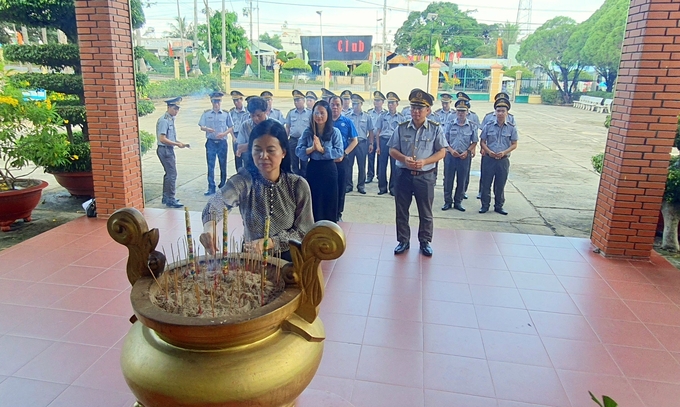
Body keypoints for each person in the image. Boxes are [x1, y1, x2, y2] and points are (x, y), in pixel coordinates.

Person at [199, 120, 314, 262]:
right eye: (257, 149)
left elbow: (304, 231)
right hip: (252, 259)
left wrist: (270, 242)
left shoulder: (297, 185)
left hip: (289, 261)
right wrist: (210, 227)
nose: (263, 156)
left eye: (270, 150)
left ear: (283, 152)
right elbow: (217, 203)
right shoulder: (244, 181)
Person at [389, 89, 447, 257]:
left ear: (428, 111)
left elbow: (442, 151)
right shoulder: (401, 128)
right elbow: (392, 149)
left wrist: (425, 162)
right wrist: (404, 158)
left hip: (425, 176)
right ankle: (403, 241)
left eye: (420, 108)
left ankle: (425, 241)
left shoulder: (435, 129)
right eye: (413, 107)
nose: (415, 111)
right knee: (401, 210)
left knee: (425, 212)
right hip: (404, 175)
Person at [295, 100, 344, 222]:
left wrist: (322, 150)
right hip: (313, 168)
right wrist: (312, 149)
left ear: (328, 114)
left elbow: (339, 152)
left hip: (329, 169)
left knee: (329, 199)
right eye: (316, 113)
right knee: (314, 199)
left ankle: (329, 227)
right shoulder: (308, 132)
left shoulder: (334, 132)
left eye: (322, 113)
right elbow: (299, 151)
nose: (319, 116)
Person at [479, 97, 518, 215]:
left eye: (503, 111)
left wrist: (504, 152)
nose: (500, 113)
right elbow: (482, 141)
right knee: (486, 183)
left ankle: (499, 206)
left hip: (503, 160)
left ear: (507, 113)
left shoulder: (511, 128)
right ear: (495, 112)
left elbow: (514, 144)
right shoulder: (488, 125)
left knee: (500, 184)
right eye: (498, 111)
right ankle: (484, 205)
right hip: (489, 159)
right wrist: (489, 151)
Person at [442, 99, 478, 212]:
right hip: (450, 156)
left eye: (463, 111)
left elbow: (475, 141)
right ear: (456, 111)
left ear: (467, 112)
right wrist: (451, 150)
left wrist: (467, 152)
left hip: (464, 156)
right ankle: (447, 202)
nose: (461, 113)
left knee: (462, 180)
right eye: (458, 111)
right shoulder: (450, 124)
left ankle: (458, 202)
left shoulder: (471, 125)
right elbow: (444, 140)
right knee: (448, 180)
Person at [156, 97, 189, 208]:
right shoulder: (164, 120)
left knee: (168, 174)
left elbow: (171, 138)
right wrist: (176, 144)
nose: (176, 111)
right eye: (175, 108)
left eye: (178, 109)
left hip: (167, 149)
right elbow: (162, 139)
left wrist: (181, 143)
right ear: (169, 107)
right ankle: (171, 198)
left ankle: (166, 197)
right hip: (165, 150)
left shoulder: (170, 119)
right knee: (172, 174)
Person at [199, 91, 234, 196]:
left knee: (223, 165)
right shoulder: (206, 114)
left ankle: (223, 185)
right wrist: (206, 129)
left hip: (222, 142)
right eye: (214, 102)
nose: (216, 104)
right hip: (211, 143)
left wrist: (224, 133)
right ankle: (211, 187)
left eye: (218, 101)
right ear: (211, 102)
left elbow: (231, 127)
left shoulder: (226, 114)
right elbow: (201, 126)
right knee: (210, 166)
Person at [330, 96, 358, 221]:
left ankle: (338, 214)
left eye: (337, 105)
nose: (335, 107)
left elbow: (354, 140)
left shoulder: (347, 122)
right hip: (327, 160)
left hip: (342, 160)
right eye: (332, 105)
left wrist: (344, 154)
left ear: (342, 107)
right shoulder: (324, 121)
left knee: (341, 187)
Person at [375, 92, 404, 196]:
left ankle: (393, 188)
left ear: (397, 104)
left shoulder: (401, 118)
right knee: (382, 166)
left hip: (395, 144)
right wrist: (378, 146)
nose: (390, 105)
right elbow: (378, 132)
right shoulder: (382, 116)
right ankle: (382, 187)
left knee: (394, 166)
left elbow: (403, 134)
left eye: (392, 103)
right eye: (389, 103)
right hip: (383, 142)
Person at [346, 94, 374, 194]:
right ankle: (348, 185)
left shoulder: (367, 117)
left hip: (362, 143)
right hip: (350, 143)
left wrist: (371, 144)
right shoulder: (348, 116)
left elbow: (371, 131)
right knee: (348, 165)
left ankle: (361, 186)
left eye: (357, 104)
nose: (355, 106)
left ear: (361, 104)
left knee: (361, 165)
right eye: (353, 104)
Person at [286, 90, 312, 177]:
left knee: (304, 163)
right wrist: (285, 140)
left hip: (305, 141)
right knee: (294, 163)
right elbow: (288, 127)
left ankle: (304, 183)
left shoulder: (309, 113)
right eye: (295, 100)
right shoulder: (291, 113)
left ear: (304, 100)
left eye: (298, 100)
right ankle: (295, 182)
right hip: (293, 140)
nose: (296, 102)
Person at [366, 91, 386, 184]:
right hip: (370, 138)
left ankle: (379, 175)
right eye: (375, 100)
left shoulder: (385, 114)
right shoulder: (369, 113)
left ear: (382, 102)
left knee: (380, 158)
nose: (376, 102)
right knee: (370, 157)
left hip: (380, 139)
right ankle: (370, 175)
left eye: (378, 101)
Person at [229, 90, 249, 172]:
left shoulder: (248, 111)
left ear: (241, 100)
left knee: (246, 157)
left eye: (237, 100)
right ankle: (239, 176)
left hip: (245, 137)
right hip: (236, 136)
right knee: (238, 158)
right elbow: (230, 126)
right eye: (234, 100)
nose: (236, 102)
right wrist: (233, 137)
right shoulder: (231, 112)